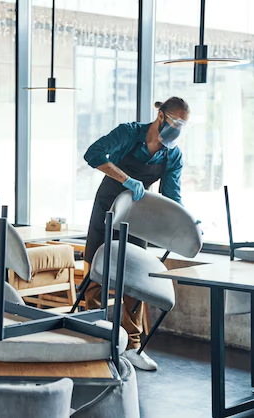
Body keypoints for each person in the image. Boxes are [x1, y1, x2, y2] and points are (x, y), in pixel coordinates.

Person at [83, 97, 190, 371]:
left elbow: (172, 196)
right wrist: (126, 179)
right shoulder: (129, 133)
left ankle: (131, 346)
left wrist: (186, 222)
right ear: (161, 115)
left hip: (138, 216)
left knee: (135, 280)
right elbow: (93, 154)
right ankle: (92, 339)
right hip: (108, 206)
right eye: (176, 122)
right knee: (97, 274)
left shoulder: (172, 155)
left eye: (183, 125)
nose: (178, 129)